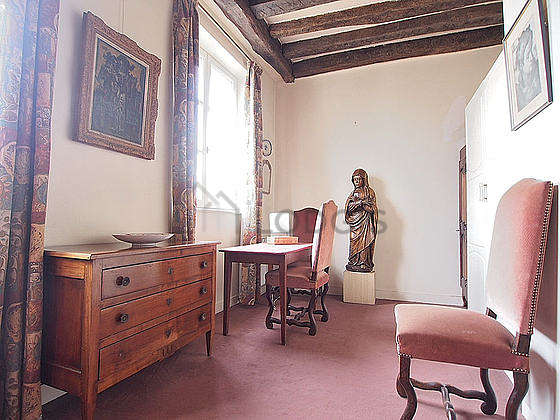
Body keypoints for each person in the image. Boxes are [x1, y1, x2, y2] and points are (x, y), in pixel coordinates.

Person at [344, 169, 378, 272]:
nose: (357, 182)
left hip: (366, 222)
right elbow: (348, 207)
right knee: (354, 241)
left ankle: (364, 263)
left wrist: (364, 205)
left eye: (359, 179)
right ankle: (354, 261)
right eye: (355, 180)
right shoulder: (353, 193)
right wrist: (359, 203)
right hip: (355, 223)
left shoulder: (370, 192)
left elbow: (373, 208)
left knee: (365, 243)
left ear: (364, 180)